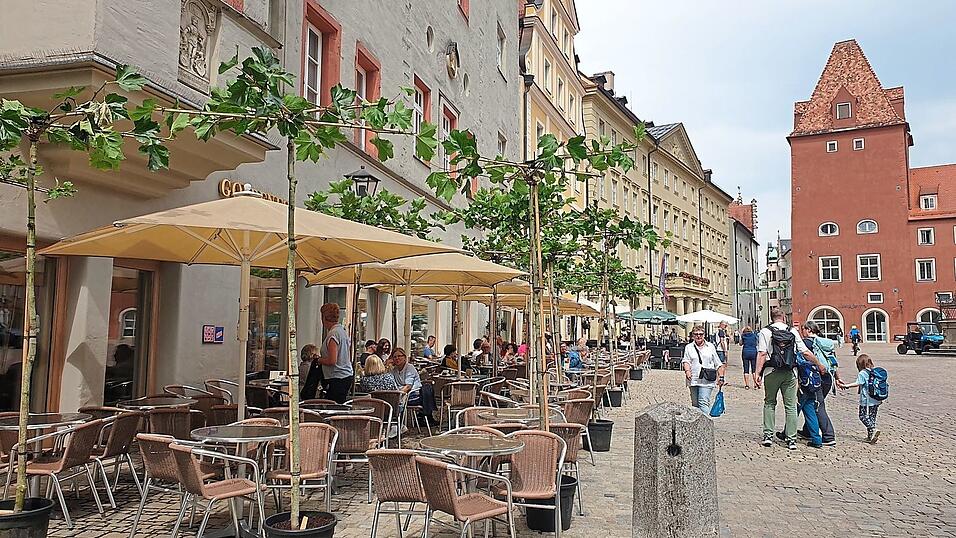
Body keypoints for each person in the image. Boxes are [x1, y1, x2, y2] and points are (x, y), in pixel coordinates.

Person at [755, 308, 822, 450]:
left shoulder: (765, 332)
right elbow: (805, 352)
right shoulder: (792, 331)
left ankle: (768, 436)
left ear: (771, 317)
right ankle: (791, 439)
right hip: (790, 372)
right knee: (791, 406)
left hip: (771, 371)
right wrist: (819, 364)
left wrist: (757, 373)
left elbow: (762, 353)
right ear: (784, 317)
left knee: (769, 403)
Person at [798, 321, 842, 447]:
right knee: (811, 402)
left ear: (808, 329)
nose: (802, 332)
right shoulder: (825, 342)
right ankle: (808, 431)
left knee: (817, 405)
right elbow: (833, 361)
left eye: (803, 329)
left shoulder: (807, 343)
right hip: (828, 377)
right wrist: (837, 377)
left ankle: (828, 436)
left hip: (815, 377)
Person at [838, 354, 884, 444]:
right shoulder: (874, 372)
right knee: (872, 417)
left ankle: (873, 429)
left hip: (866, 400)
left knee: (862, 416)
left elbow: (858, 383)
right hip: (876, 399)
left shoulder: (862, 373)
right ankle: (870, 436)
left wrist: (846, 386)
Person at [682, 326, 726, 414]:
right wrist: (687, 371)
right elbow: (686, 360)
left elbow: (718, 363)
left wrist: (721, 377)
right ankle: (698, 425)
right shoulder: (689, 347)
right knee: (695, 405)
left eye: (701, 334)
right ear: (693, 336)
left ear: (704, 335)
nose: (698, 336)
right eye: (696, 334)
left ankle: (707, 424)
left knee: (703, 402)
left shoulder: (710, 346)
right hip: (693, 379)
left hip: (707, 379)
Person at [314, 303, 353, 404]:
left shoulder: (333, 334)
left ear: (324, 317)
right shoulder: (342, 331)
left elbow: (332, 360)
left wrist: (319, 360)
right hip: (345, 376)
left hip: (337, 377)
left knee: (333, 406)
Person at [389, 347, 438, 426]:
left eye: (399, 356)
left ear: (404, 357)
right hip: (401, 394)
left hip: (414, 395)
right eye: (394, 357)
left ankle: (398, 424)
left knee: (394, 402)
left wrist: (397, 394)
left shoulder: (409, 368)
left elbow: (408, 386)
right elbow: (390, 383)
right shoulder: (394, 370)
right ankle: (394, 424)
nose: (397, 358)